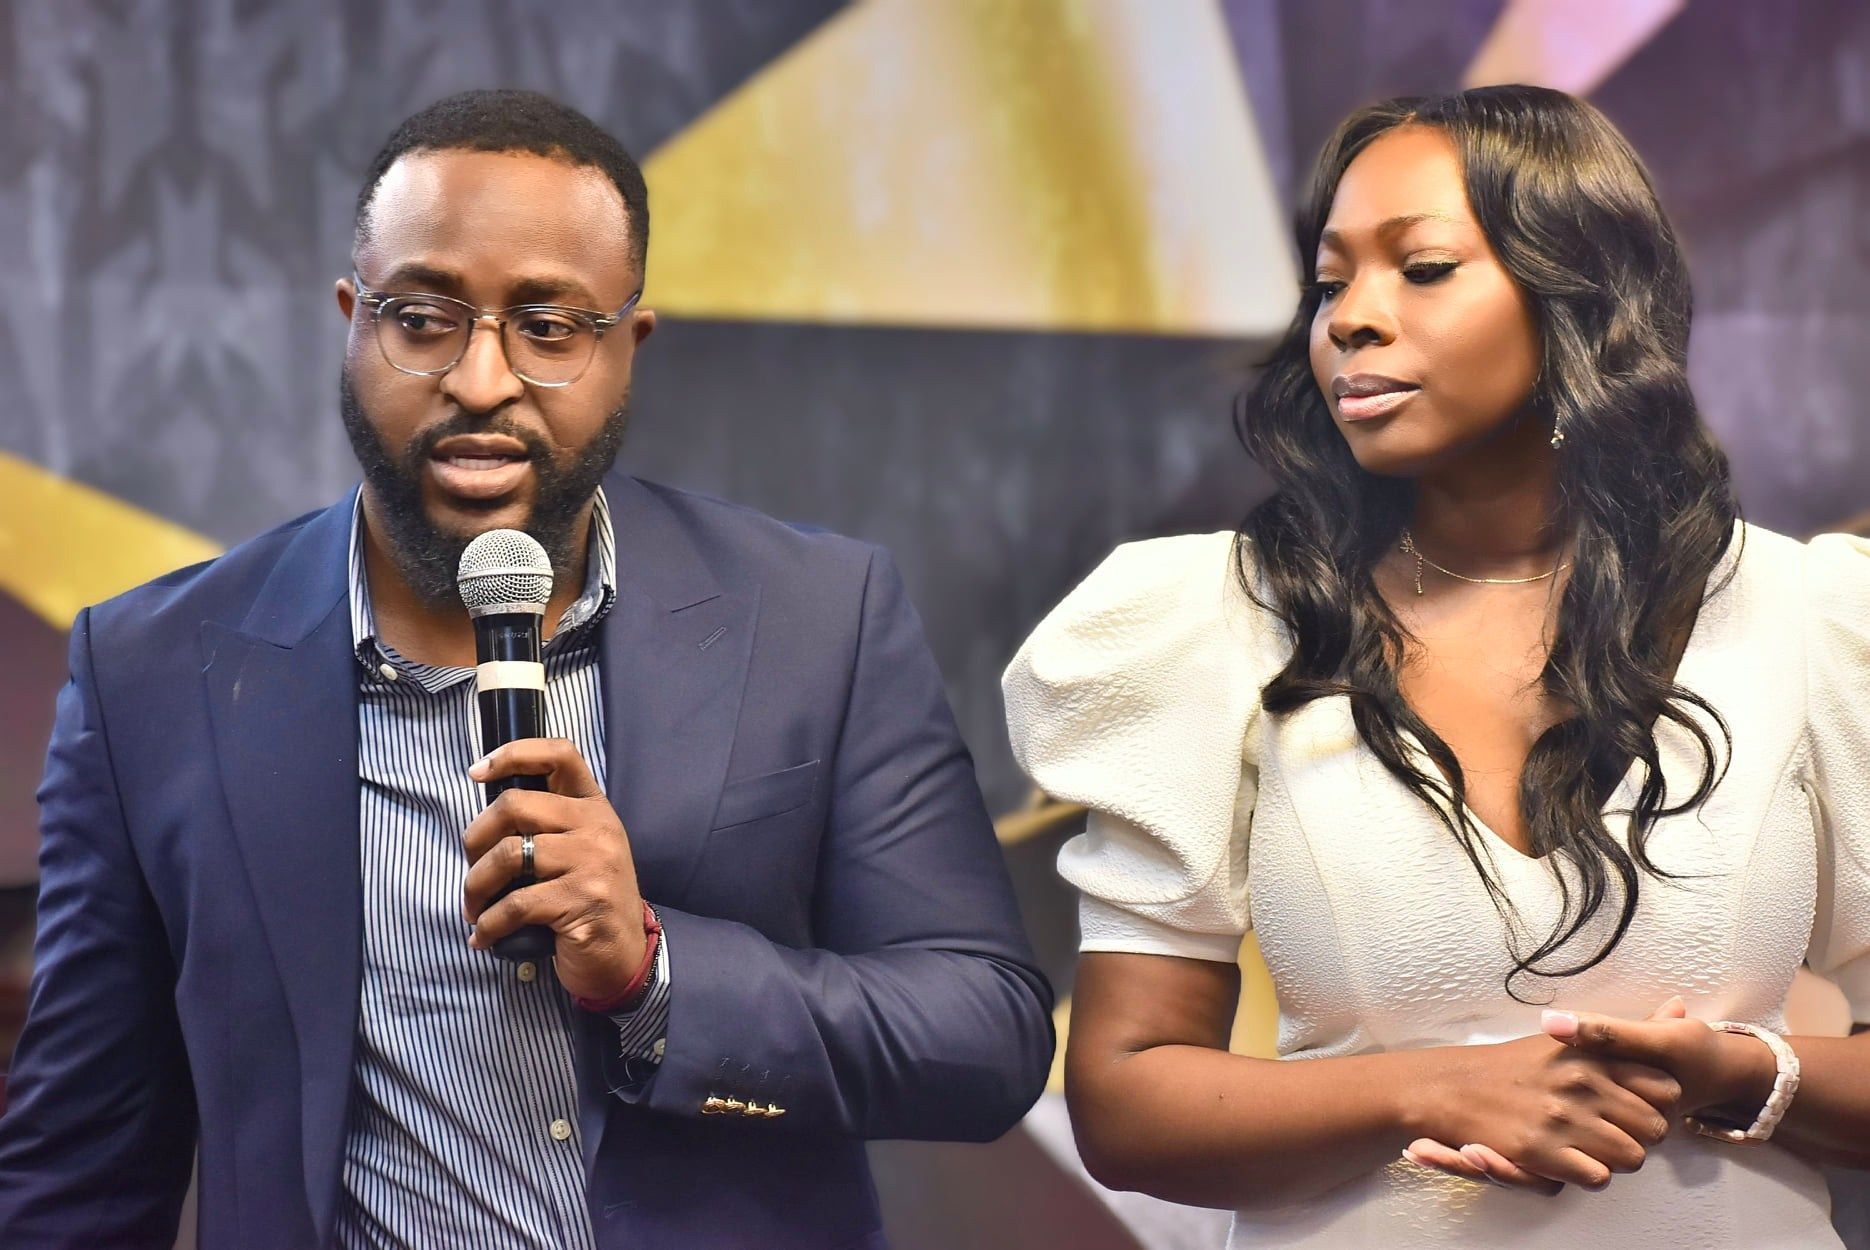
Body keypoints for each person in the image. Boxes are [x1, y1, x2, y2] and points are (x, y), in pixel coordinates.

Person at [0, 89, 1052, 1249]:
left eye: (548, 327)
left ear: (625, 346)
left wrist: (654, 970)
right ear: (354, 319)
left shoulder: (817, 617)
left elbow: (983, 1034)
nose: (482, 380)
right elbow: (83, 1170)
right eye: (424, 317)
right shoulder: (156, 670)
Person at [1004, 85, 1870, 1248]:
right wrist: (1431, 1086)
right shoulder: (1224, 619)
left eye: (1420, 268)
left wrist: (1739, 1068)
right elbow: (1124, 1095)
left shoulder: (1805, 617)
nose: (1350, 320)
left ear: (1576, 295)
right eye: (1328, 282)